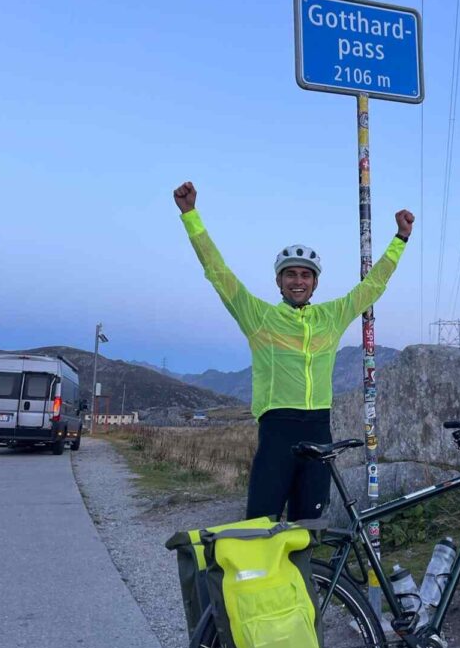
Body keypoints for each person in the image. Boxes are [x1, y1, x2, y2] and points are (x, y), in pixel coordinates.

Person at [173, 180, 413, 521]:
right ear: (278, 281)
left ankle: (309, 577)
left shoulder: (332, 315)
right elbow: (218, 272)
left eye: (305, 275)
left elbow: (373, 285)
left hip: (319, 429)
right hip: (276, 432)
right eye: (290, 275)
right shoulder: (259, 317)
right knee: (259, 530)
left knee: (308, 531)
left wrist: (400, 239)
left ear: (315, 282)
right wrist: (190, 215)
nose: (297, 281)